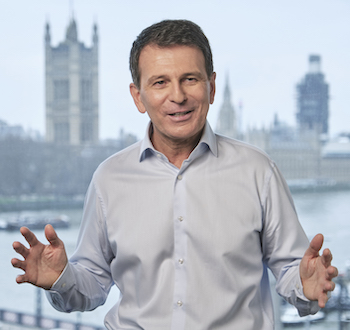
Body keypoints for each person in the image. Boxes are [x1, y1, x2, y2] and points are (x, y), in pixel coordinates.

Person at [12, 19, 338, 329]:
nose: (178, 96)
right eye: (160, 82)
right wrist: (60, 278)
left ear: (211, 87)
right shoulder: (109, 179)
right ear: (138, 97)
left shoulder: (258, 170)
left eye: (190, 79)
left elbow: (291, 271)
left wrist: (306, 284)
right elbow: (92, 286)